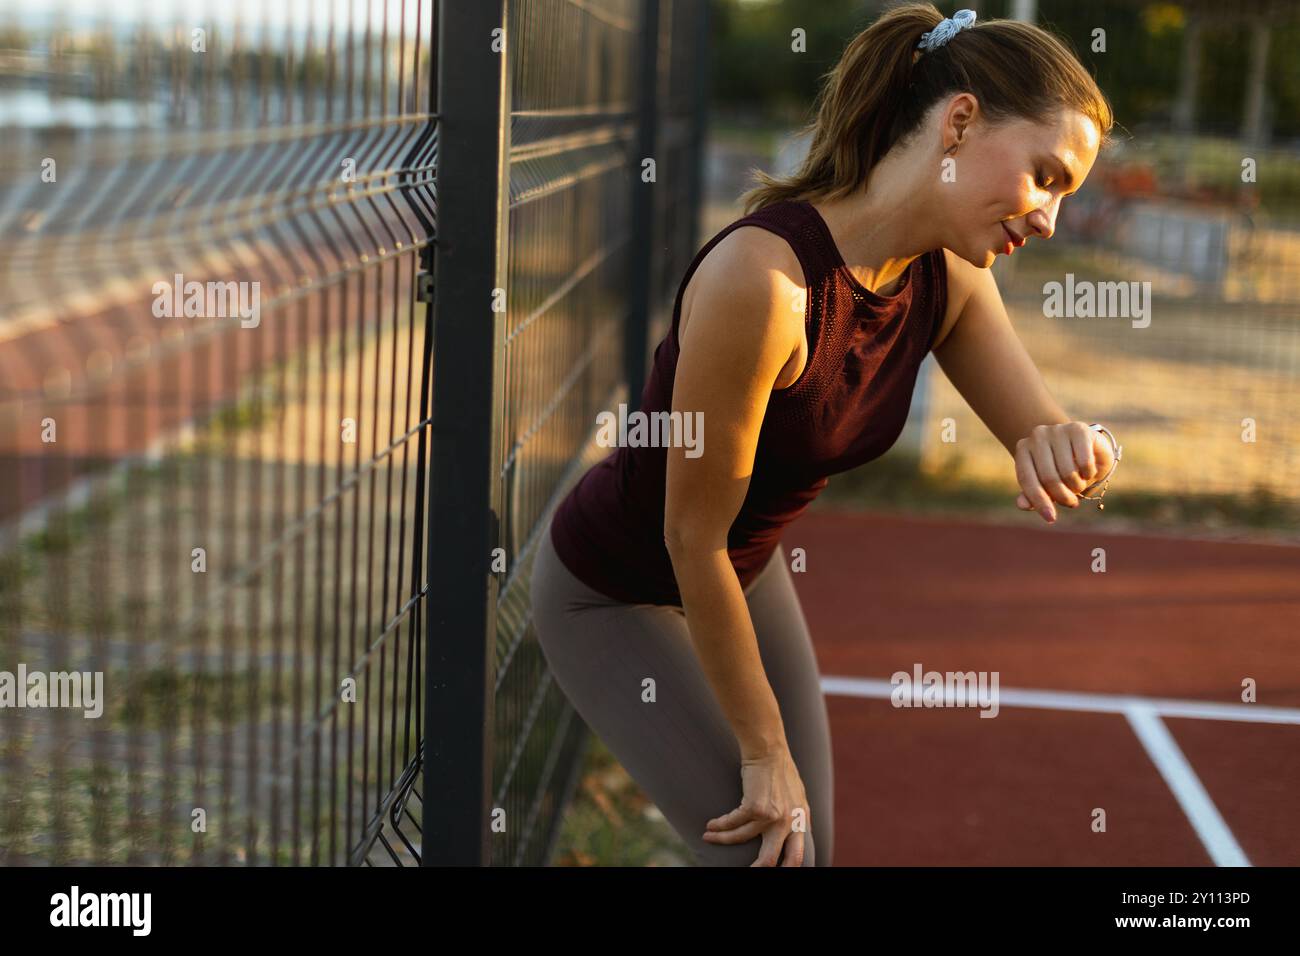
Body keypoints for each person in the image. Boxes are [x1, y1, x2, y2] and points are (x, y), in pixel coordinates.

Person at [530, 3, 1118, 867]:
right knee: (770, 853)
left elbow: (1052, 433)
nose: (1048, 220)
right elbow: (689, 537)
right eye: (1045, 176)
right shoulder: (764, 284)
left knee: (815, 850)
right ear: (960, 122)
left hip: (743, 567)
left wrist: (1081, 448)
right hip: (615, 584)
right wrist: (765, 754)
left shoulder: (946, 276)